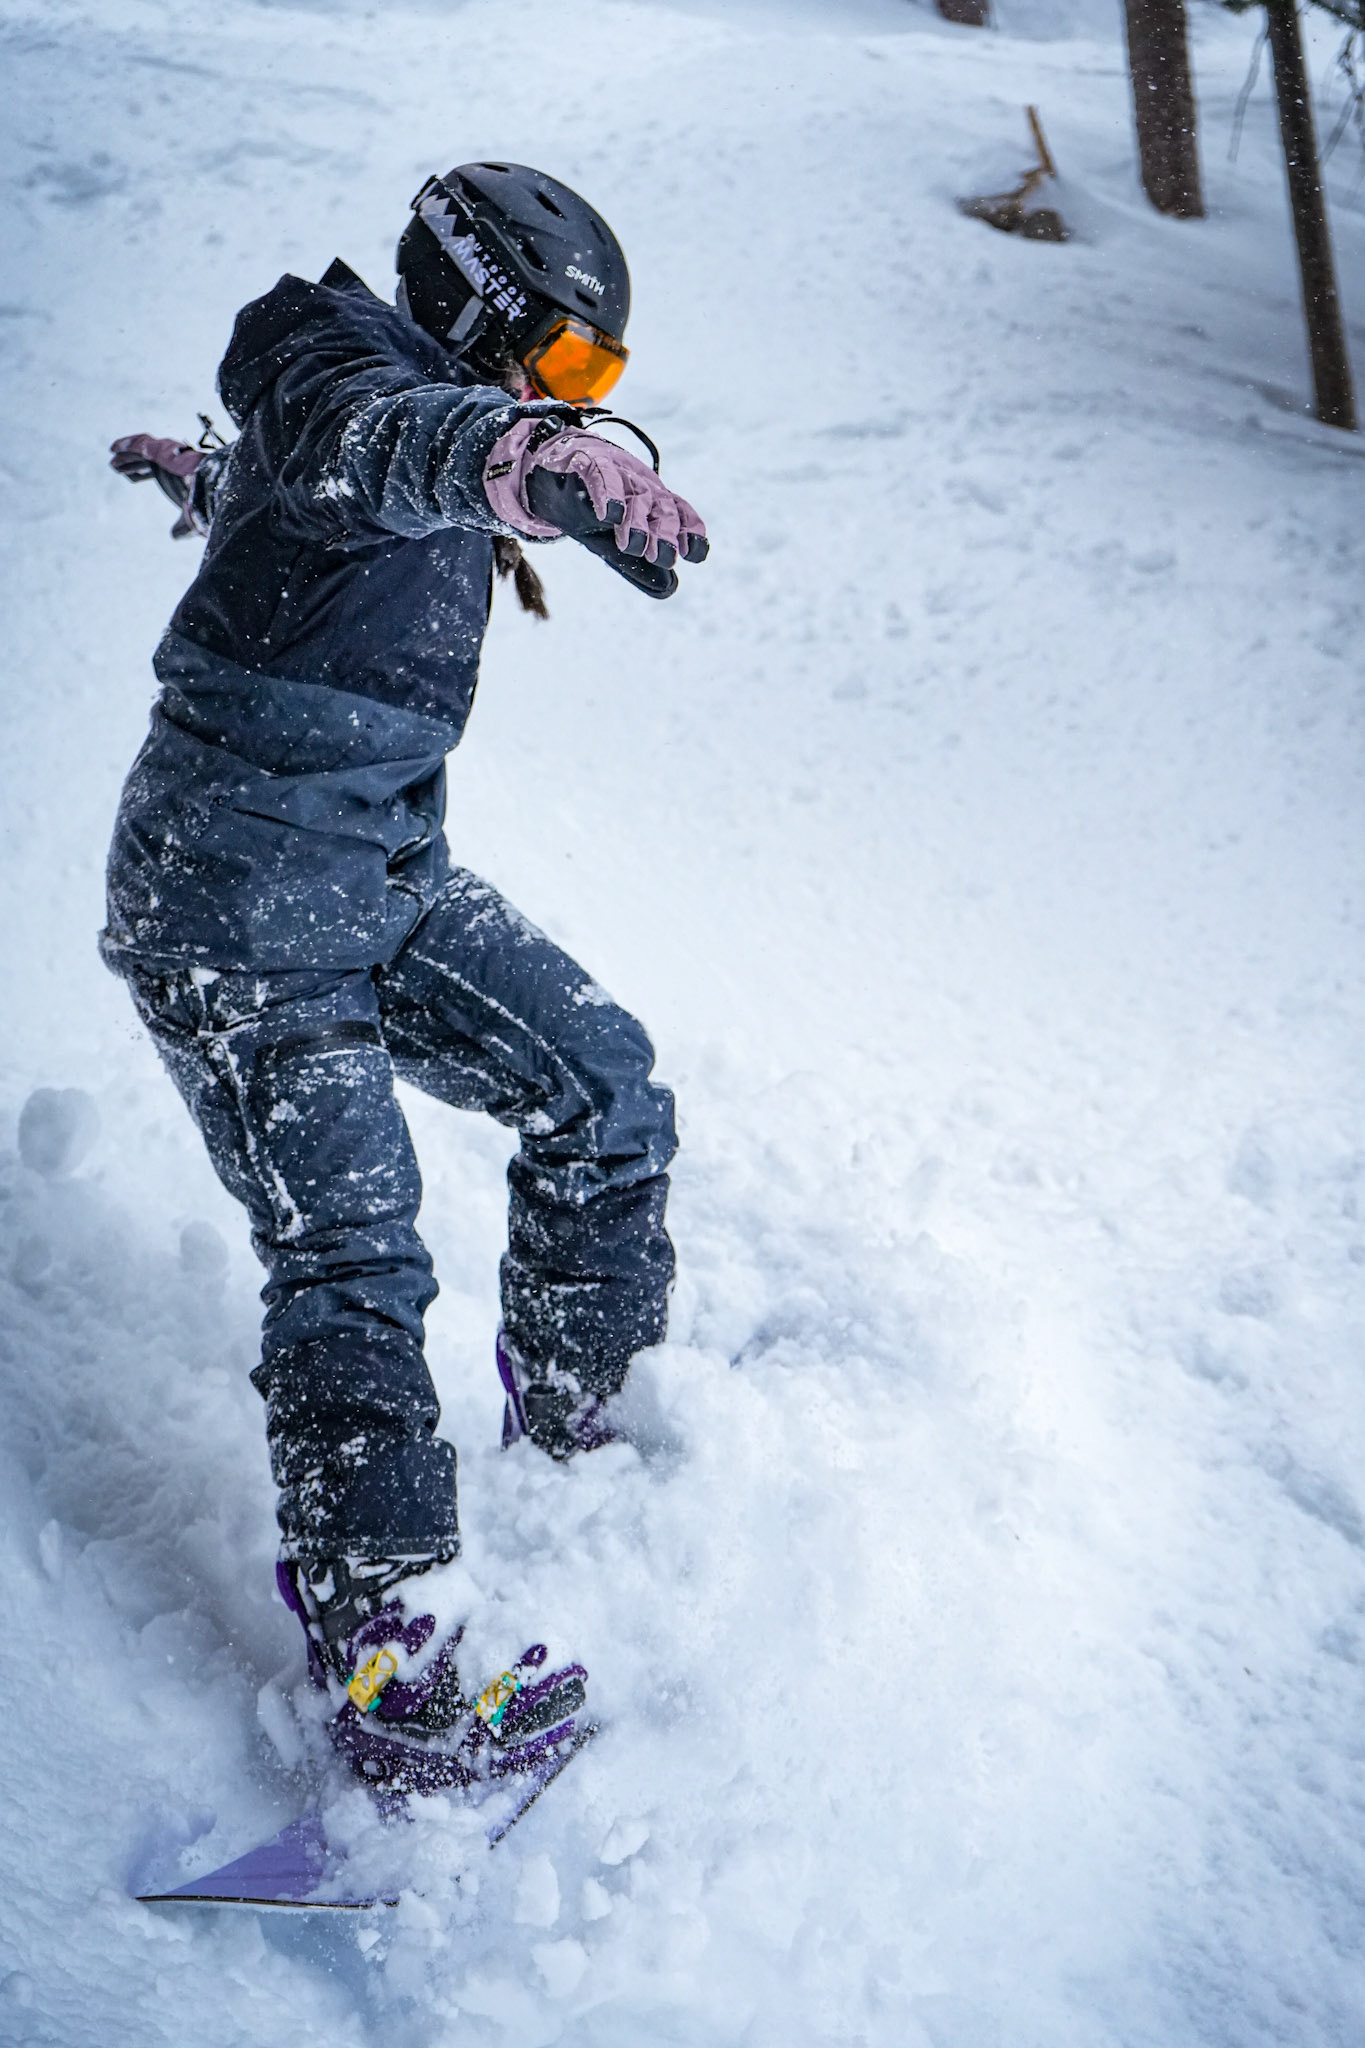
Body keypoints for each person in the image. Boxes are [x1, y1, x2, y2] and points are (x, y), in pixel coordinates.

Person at [104, 162, 707, 1800]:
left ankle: (582, 1434)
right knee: (354, 1246)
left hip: (376, 871)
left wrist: (215, 487)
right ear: (478, 302)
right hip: (231, 892)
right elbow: (354, 433)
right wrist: (527, 459)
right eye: (563, 360)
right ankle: (389, 1659)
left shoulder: (401, 424)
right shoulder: (330, 355)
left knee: (603, 1083)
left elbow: (314, 490)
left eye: (594, 382)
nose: (569, 396)